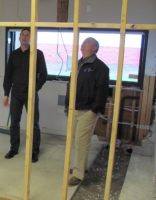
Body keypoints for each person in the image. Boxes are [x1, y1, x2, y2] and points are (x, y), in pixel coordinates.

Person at [66, 37, 109, 186]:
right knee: (76, 139)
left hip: (88, 110)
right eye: (83, 43)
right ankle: (80, 166)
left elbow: (102, 91)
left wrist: (94, 110)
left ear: (94, 49)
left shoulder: (101, 68)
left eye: (86, 44)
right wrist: (68, 105)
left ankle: (78, 174)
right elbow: (71, 85)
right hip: (74, 108)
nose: (82, 46)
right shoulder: (78, 63)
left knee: (81, 141)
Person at [3, 28, 47, 163]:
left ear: (30, 38)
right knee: (14, 123)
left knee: (34, 124)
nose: (25, 37)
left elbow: (43, 75)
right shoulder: (14, 54)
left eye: (28, 35)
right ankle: (14, 148)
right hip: (16, 93)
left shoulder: (37, 54)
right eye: (23, 35)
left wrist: (34, 89)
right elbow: (8, 75)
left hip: (30, 94)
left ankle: (34, 151)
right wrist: (6, 94)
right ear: (19, 37)